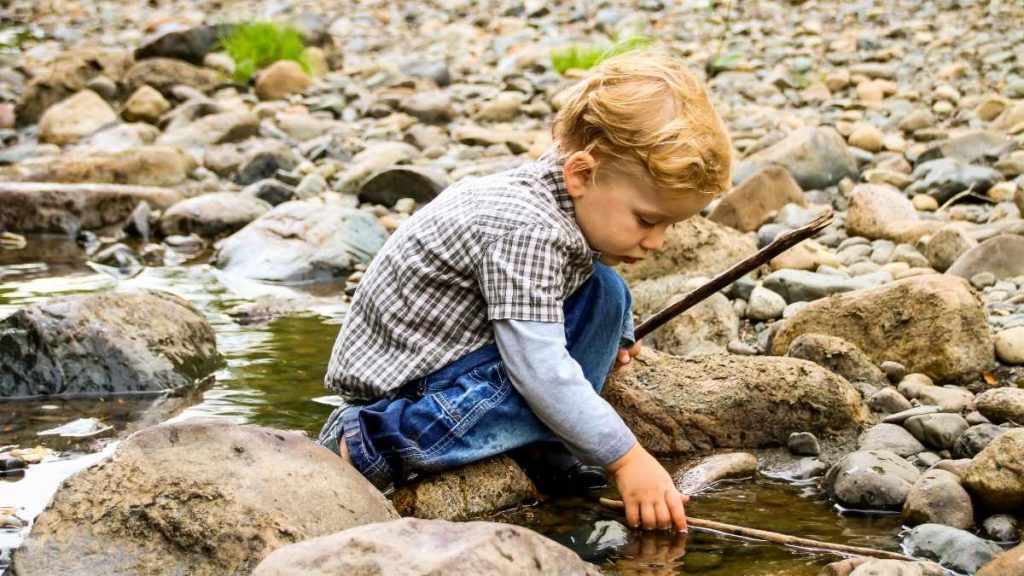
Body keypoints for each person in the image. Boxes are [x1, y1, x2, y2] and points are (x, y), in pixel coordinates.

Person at [318, 49, 732, 532]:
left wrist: (614, 332)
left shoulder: (568, 203)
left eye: (668, 227)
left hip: (457, 355)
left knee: (607, 291)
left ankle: (539, 444)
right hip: (407, 387)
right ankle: (373, 440)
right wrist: (625, 458)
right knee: (544, 370)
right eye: (647, 220)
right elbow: (540, 370)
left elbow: (581, 286)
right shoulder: (525, 230)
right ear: (581, 174)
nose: (656, 242)